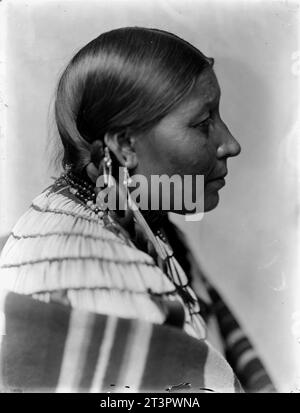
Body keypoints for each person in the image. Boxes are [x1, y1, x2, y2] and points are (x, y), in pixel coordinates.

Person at [0, 27, 275, 393]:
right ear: (125, 144)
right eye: (203, 123)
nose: (230, 144)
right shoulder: (82, 265)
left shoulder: (145, 223)